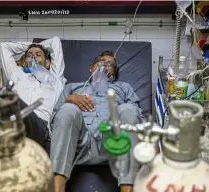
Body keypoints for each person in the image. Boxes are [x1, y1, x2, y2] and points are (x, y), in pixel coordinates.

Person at [0, 36, 66, 191]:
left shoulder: (55, 77)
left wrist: (36, 46)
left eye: (38, 54)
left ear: (48, 63)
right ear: (23, 61)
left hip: (37, 128)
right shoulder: (17, 74)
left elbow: (55, 41)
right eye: (30, 55)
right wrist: (32, 49)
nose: (33, 56)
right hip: (6, 121)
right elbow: (4, 46)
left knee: (11, 101)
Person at [50, 51, 145, 192]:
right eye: (100, 61)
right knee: (67, 109)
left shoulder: (124, 88)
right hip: (77, 143)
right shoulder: (73, 88)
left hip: (111, 143)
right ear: (91, 68)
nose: (105, 64)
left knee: (128, 108)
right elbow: (55, 119)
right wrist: (69, 99)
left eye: (110, 64)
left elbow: (138, 119)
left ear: (114, 72)